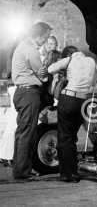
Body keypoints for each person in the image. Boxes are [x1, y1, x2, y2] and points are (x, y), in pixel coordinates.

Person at [48, 46, 96, 183]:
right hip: (84, 101)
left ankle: (69, 173)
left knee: (64, 137)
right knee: (72, 137)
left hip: (69, 99)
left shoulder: (69, 60)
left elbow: (51, 69)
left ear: (68, 55)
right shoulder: (91, 61)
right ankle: (71, 170)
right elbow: (94, 83)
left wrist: (64, 66)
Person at [11, 21, 52, 180]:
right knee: (27, 133)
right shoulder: (31, 50)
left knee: (22, 132)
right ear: (40, 35)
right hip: (29, 93)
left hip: (22, 92)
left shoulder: (22, 45)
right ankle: (23, 172)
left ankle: (19, 170)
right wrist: (45, 74)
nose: (46, 40)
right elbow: (42, 74)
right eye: (46, 36)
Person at [0, 36, 23, 167]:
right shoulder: (16, 54)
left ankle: (6, 154)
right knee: (14, 122)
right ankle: (6, 155)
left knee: (13, 121)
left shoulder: (11, 52)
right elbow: (8, 73)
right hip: (14, 86)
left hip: (12, 86)